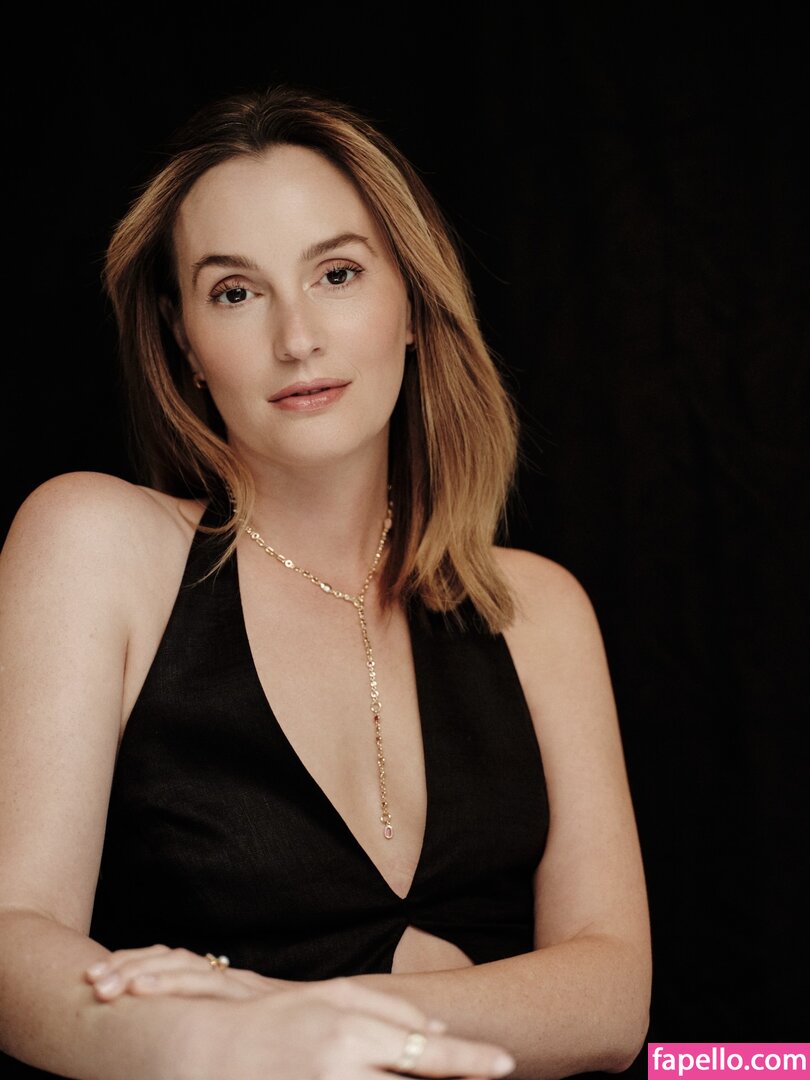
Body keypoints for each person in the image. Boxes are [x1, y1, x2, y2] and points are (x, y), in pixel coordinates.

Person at [0, 84, 651, 1079]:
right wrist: (221, 1041)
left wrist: (300, 1012)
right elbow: (12, 937)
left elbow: (611, 1001)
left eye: (337, 274)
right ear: (183, 340)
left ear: (413, 305)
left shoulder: (537, 610)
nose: (295, 337)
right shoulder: (97, 544)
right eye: (235, 292)